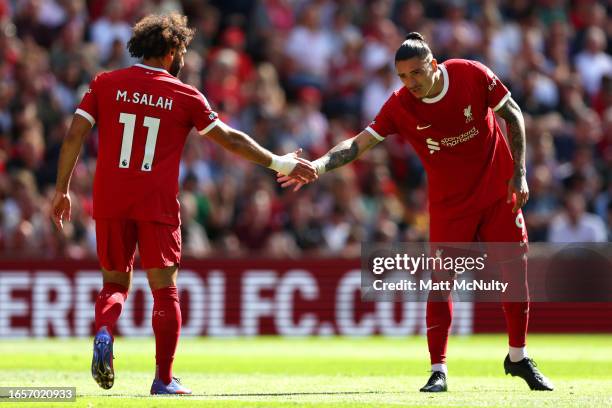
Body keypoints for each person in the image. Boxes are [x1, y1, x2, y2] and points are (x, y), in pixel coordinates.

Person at [51, 13, 316, 395]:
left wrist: (61, 190)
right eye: (183, 51)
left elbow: (74, 134)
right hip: (156, 204)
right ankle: (163, 379)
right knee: (165, 290)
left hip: (109, 198)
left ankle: (105, 330)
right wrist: (279, 161)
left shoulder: (105, 83)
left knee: (113, 282)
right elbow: (230, 138)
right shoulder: (183, 94)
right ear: (172, 49)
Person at [279, 32, 553, 392]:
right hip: (449, 205)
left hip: (498, 192)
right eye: (403, 77)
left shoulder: (471, 74)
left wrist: (519, 172)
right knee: (442, 285)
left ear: (434, 65)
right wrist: (318, 165)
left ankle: (517, 358)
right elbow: (357, 144)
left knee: (515, 276)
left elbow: (513, 114)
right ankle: (438, 369)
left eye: (416, 73)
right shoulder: (400, 106)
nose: (410, 83)